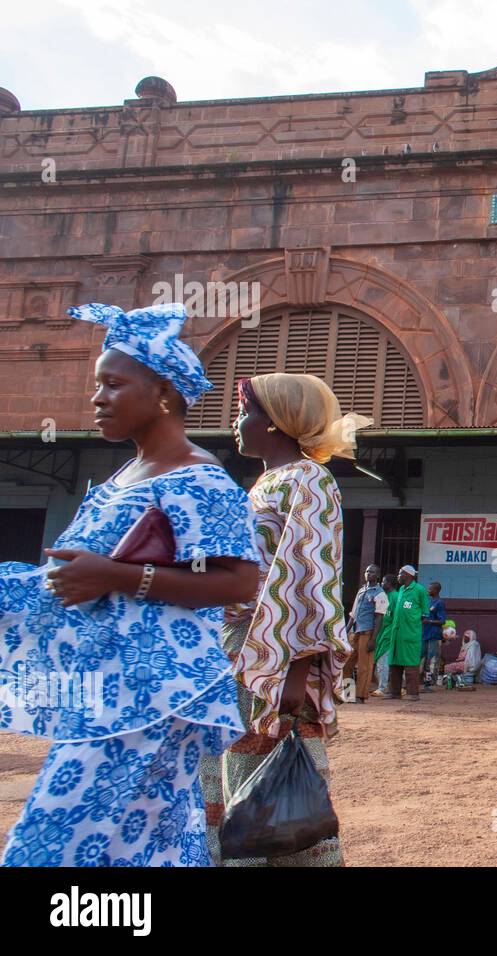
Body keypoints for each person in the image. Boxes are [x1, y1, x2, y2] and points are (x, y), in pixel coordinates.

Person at [1, 302, 261, 867]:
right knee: (144, 844)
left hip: (150, 692)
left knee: (54, 841)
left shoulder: (197, 477)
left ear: (164, 393)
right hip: (108, 689)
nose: (97, 398)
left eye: (114, 384)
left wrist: (118, 576)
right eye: (99, 384)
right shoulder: (126, 475)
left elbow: (241, 579)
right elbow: (67, 580)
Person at [216, 372, 369, 867]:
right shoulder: (264, 484)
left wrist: (296, 678)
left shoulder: (309, 479)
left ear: (276, 424)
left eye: (246, 412)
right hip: (237, 653)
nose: (237, 423)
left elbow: (314, 580)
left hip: (275, 662)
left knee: (274, 786)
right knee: (237, 784)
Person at [375, 565, 427, 701]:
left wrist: (412, 626)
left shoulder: (419, 590)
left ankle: (413, 693)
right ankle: (394, 692)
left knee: (410, 664)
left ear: (408, 575)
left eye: (400, 573)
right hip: (396, 634)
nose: (398, 576)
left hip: (410, 634)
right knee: (394, 663)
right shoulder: (402, 590)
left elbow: (424, 613)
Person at [347, 564, 384, 703]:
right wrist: (346, 631)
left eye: (372, 572)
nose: (369, 573)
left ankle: (360, 696)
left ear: (378, 575)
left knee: (364, 666)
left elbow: (379, 618)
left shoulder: (379, 593)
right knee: (346, 664)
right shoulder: (361, 591)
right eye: (367, 571)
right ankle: (348, 694)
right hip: (355, 632)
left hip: (367, 633)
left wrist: (373, 639)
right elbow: (353, 613)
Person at [371, 574, 396, 696]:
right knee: (380, 662)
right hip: (381, 633)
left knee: (383, 661)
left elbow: (397, 617)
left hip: (389, 633)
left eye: (383, 581)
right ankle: (386, 686)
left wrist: (392, 632)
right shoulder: (383, 596)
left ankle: (383, 688)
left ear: (389, 583)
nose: (381, 583)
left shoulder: (395, 596)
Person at [420, 581, 446, 687]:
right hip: (425, 634)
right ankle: (424, 680)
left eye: (430, 589)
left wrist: (429, 622)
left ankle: (431, 682)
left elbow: (442, 621)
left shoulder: (439, 603)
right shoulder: (429, 601)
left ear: (436, 590)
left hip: (434, 635)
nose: (428, 590)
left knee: (432, 659)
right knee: (423, 657)